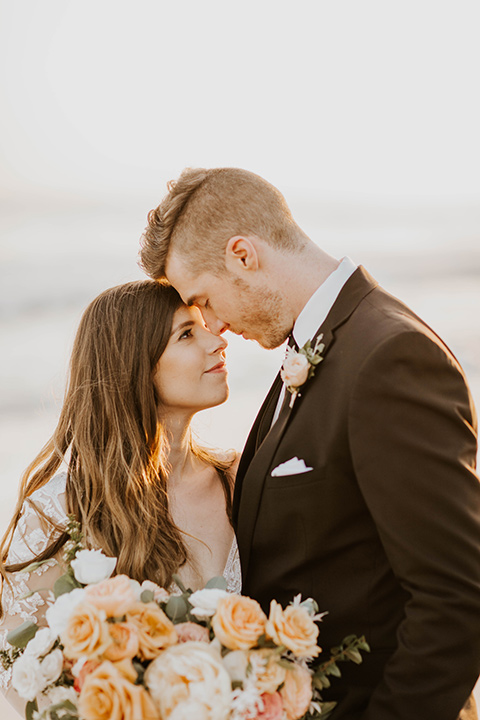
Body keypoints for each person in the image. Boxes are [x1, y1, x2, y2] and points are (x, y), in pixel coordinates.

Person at [139, 167, 480, 720]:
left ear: (243, 255)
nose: (216, 327)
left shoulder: (390, 358)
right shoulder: (317, 349)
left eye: (205, 299)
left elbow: (459, 599)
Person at [0, 279, 240, 715]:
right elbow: (20, 670)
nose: (217, 340)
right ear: (135, 365)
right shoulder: (61, 511)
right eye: (187, 334)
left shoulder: (240, 480)